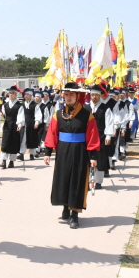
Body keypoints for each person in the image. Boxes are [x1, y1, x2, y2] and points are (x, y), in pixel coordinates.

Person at [43, 82, 101, 229]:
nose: (68, 98)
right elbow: (52, 134)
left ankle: (74, 214)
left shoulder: (87, 116)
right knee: (63, 180)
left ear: (78, 96)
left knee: (77, 181)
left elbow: (93, 136)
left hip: (80, 152)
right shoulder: (58, 115)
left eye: (71, 95)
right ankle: (65, 207)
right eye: (66, 95)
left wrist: (93, 156)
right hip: (62, 152)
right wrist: (48, 153)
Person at [87, 84, 115, 189]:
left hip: (101, 137)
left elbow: (109, 123)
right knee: (88, 159)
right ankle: (88, 180)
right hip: (88, 138)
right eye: (92, 95)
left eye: (96, 95)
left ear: (100, 96)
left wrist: (108, 136)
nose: (94, 97)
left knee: (100, 159)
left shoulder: (105, 108)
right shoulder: (86, 108)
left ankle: (98, 182)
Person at [0, 86, 22, 169]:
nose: (10, 95)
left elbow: (20, 116)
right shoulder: (5, 105)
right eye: (9, 93)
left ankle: (12, 161)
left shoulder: (19, 105)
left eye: (12, 93)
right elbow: (3, 116)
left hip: (15, 125)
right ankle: (3, 161)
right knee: (5, 142)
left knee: (13, 142)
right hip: (7, 125)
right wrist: (2, 116)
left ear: (16, 94)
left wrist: (19, 124)